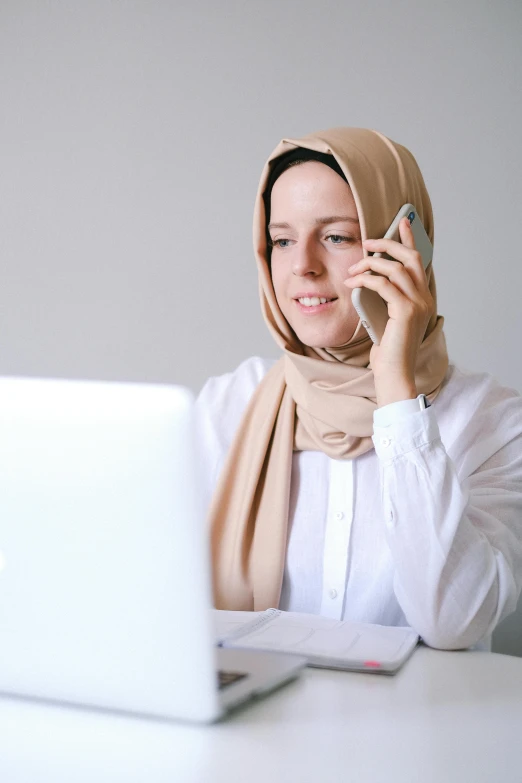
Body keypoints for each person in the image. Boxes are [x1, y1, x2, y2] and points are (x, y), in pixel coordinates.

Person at [195, 127, 522, 650]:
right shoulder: (226, 407)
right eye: (281, 240)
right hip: (252, 729)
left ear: (405, 248)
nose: (302, 263)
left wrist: (396, 388)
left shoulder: (495, 422)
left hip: (423, 731)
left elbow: (454, 622)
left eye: (336, 237)